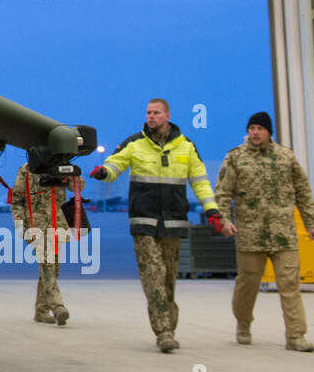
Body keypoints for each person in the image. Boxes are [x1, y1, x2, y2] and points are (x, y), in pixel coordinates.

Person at [89, 98, 221, 353]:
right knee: (153, 275)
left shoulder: (186, 147)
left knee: (169, 278)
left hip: (174, 222)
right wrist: (105, 172)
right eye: (148, 112)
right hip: (144, 221)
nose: (151, 116)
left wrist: (212, 210)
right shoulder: (134, 143)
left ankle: (169, 324)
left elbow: (200, 181)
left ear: (167, 115)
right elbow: (116, 163)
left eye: (156, 112)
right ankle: (163, 331)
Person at [214, 112, 314, 352]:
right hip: (250, 234)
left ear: (269, 131)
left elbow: (303, 190)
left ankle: (295, 335)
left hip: (284, 234)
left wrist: (311, 221)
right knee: (247, 284)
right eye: (251, 128)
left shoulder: (286, 157)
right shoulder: (235, 158)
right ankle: (243, 322)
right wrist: (224, 221)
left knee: (290, 283)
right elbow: (222, 193)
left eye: (260, 128)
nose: (255, 132)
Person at [11, 165, 72, 325]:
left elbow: (78, 186)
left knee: (53, 269)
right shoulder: (27, 170)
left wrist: (68, 173)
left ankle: (41, 310)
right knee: (47, 265)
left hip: (58, 224)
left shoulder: (62, 164)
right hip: (37, 225)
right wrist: (19, 225)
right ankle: (58, 306)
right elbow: (16, 200)